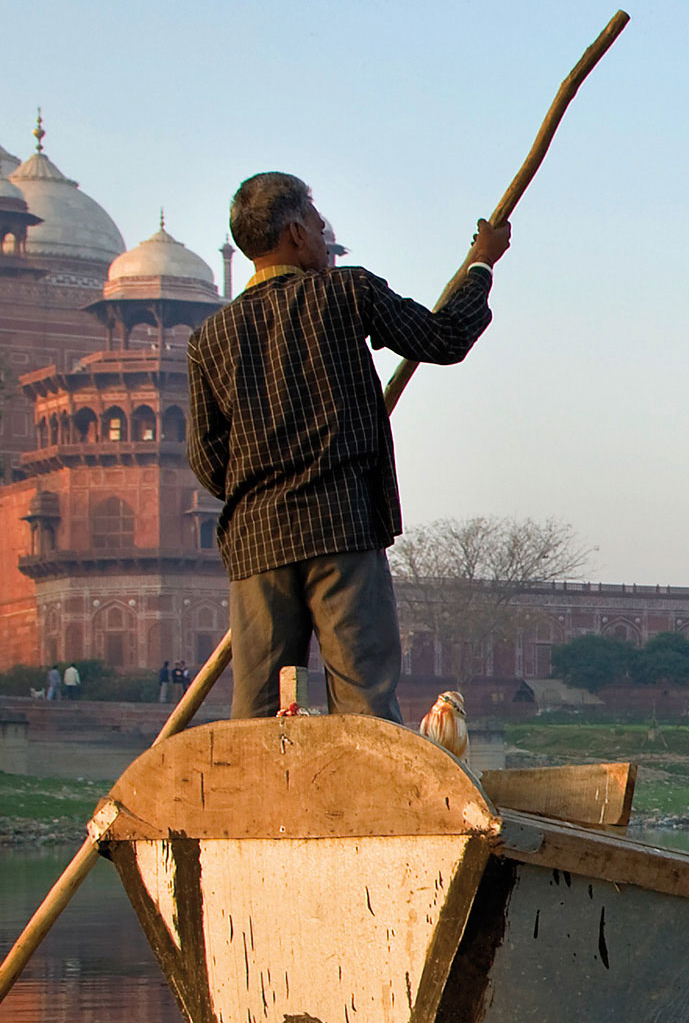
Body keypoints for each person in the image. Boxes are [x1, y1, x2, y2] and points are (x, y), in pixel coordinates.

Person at [187, 171, 505, 721]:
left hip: (256, 540)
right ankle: (369, 806)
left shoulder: (210, 337)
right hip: (339, 528)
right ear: (295, 233)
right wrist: (481, 264)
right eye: (315, 221)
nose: (323, 232)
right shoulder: (344, 292)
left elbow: (208, 459)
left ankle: (264, 806)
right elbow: (445, 337)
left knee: (260, 715)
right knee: (362, 700)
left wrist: (262, 481)